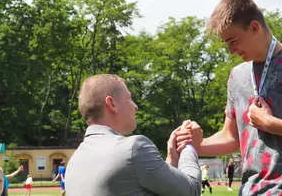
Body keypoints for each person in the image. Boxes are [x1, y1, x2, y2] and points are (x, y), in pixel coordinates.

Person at [177, 0, 282, 195]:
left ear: (254, 28)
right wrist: (195, 144)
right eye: (226, 43)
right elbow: (231, 137)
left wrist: (270, 123)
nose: (231, 51)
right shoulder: (236, 77)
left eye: (233, 41)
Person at [65, 74, 202, 196]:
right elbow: (191, 190)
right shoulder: (133, 148)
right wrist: (188, 144)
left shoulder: (74, 162)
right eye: (129, 98)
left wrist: (171, 160)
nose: (135, 106)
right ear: (111, 103)